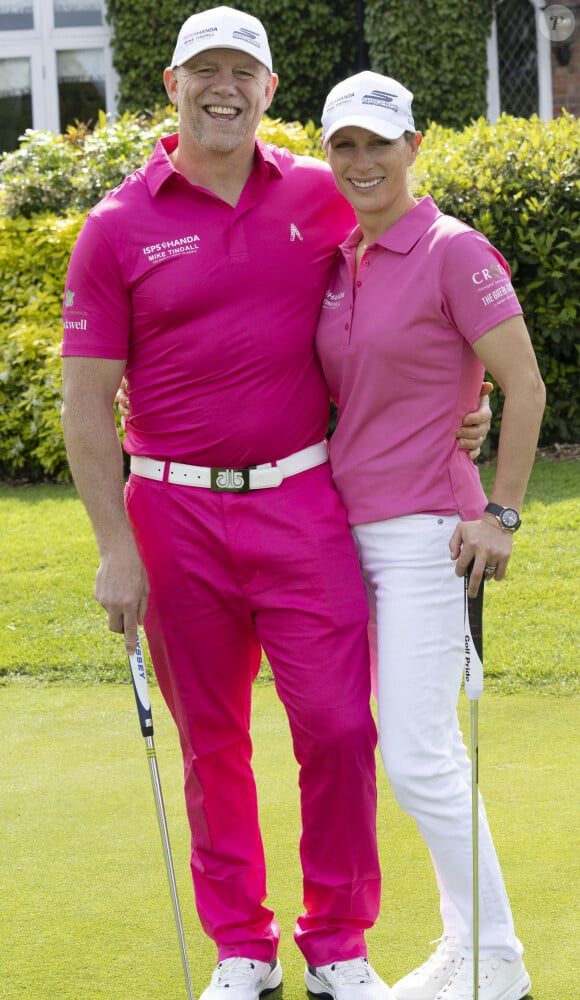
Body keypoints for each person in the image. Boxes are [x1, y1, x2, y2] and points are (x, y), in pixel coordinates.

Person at [60, 7, 491, 999]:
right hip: (172, 516)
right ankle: (242, 948)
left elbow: (424, 286)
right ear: (171, 87)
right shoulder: (118, 225)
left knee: (339, 725)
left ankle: (337, 940)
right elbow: (87, 402)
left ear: (269, 89)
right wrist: (113, 546)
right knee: (213, 744)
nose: (223, 88)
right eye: (202, 72)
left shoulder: (316, 192)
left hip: (303, 500)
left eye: (241, 73)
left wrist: (464, 409)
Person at [315, 72, 546, 1000]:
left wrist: (502, 512)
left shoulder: (454, 249)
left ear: (415, 146)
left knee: (416, 752)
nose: (363, 161)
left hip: (427, 534)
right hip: (341, 537)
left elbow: (522, 386)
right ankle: (474, 948)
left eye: (381, 142)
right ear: (328, 153)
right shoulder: (339, 260)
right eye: (346, 145)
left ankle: (494, 959)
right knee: (415, 748)